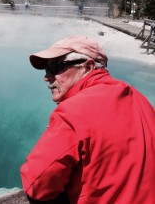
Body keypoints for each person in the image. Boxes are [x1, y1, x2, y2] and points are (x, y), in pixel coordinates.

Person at [20, 35, 155, 203]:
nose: (47, 77)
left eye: (55, 67)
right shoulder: (139, 99)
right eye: (46, 70)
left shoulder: (73, 112)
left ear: (88, 66)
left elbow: (38, 184)